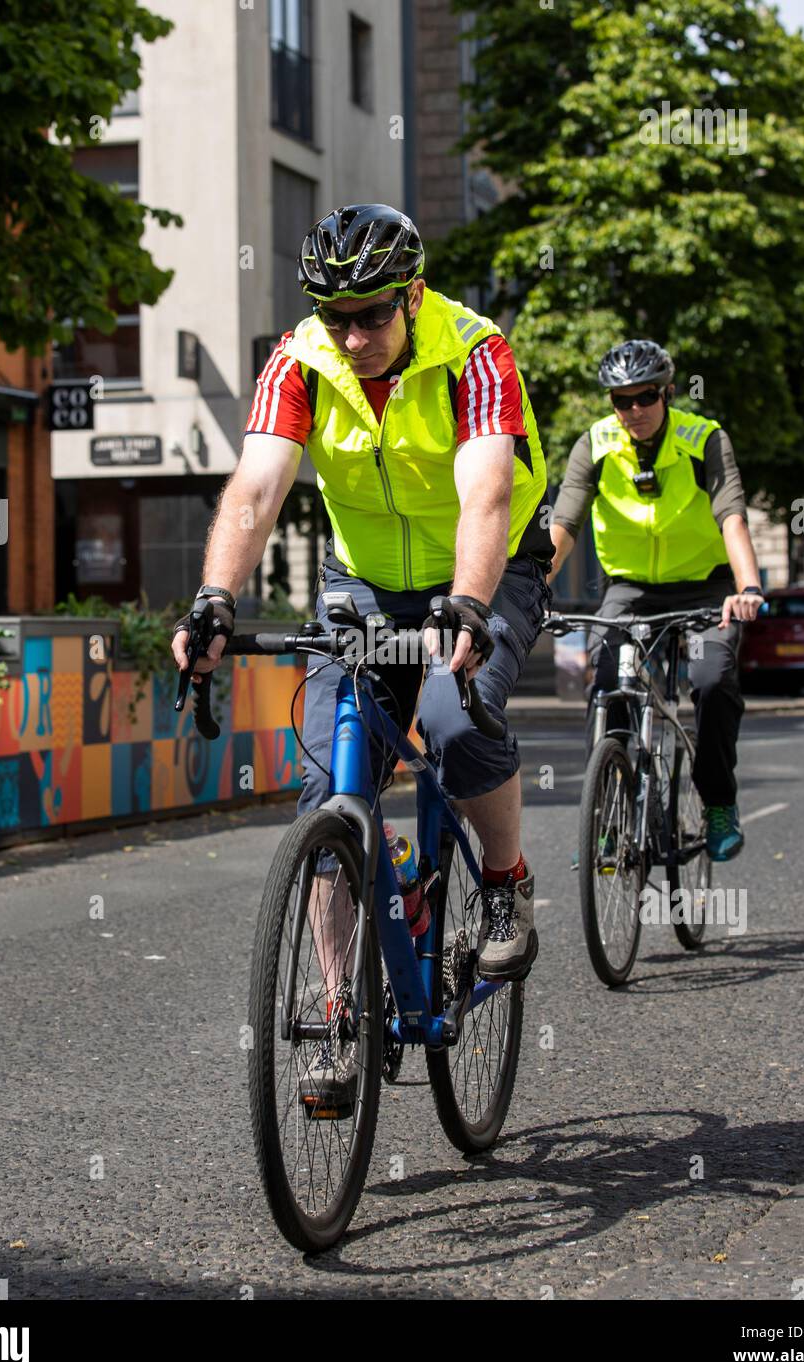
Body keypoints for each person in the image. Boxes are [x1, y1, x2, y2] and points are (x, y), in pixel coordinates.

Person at [172, 203, 554, 1004]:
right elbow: (257, 487)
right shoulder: (300, 362)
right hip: (364, 584)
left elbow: (485, 495)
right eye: (335, 316)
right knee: (327, 789)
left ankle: (504, 883)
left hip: (485, 570)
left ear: (413, 296)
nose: (352, 337)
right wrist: (215, 597)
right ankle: (338, 1003)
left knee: (453, 720)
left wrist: (466, 604)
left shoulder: (475, 353)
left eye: (372, 315)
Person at [548, 339, 764, 861]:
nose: (634, 411)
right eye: (622, 401)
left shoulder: (704, 439)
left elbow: (731, 514)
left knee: (711, 680)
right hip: (630, 589)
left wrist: (748, 587)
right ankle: (609, 810)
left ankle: (718, 802)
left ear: (668, 392)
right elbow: (565, 523)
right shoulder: (594, 446)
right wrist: (532, 589)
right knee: (606, 685)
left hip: (707, 585)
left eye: (646, 397)